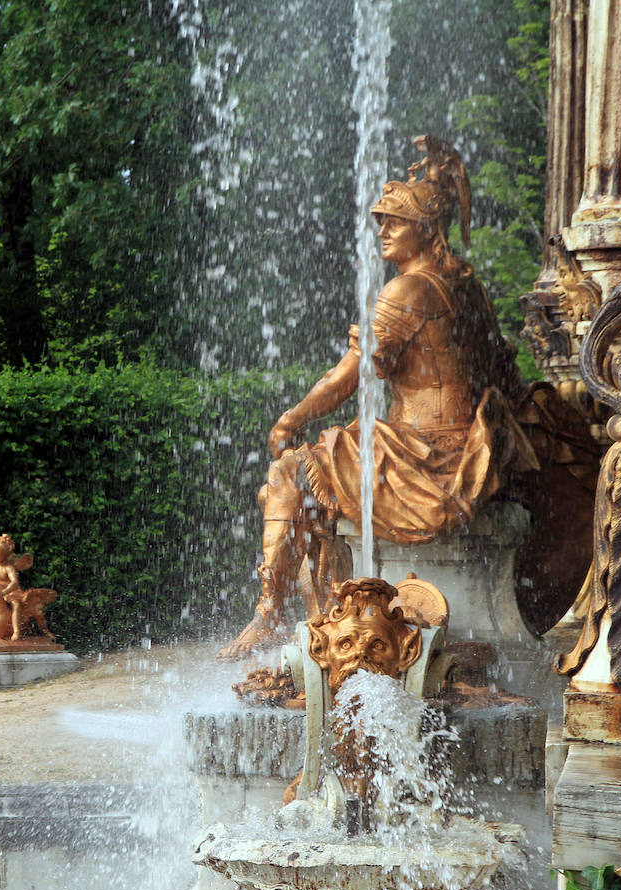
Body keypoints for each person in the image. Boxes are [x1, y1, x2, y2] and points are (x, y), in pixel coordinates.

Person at [219, 136, 538, 661]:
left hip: (423, 459)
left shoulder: (409, 290)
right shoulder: (470, 288)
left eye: (395, 221)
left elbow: (351, 375)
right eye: (381, 220)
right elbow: (504, 371)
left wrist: (291, 417)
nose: (383, 231)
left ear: (427, 228)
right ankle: (316, 610)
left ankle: (271, 614)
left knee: (291, 472)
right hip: (473, 451)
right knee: (325, 465)